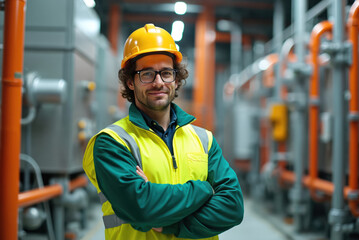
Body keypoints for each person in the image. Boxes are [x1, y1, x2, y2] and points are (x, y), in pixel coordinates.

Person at [83, 23, 244, 240]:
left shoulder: (204, 140)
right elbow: (141, 209)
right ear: (130, 81)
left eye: (166, 73)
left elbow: (233, 207)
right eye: (147, 74)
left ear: (176, 80)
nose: (158, 82)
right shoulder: (112, 142)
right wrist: (204, 189)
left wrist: (171, 223)